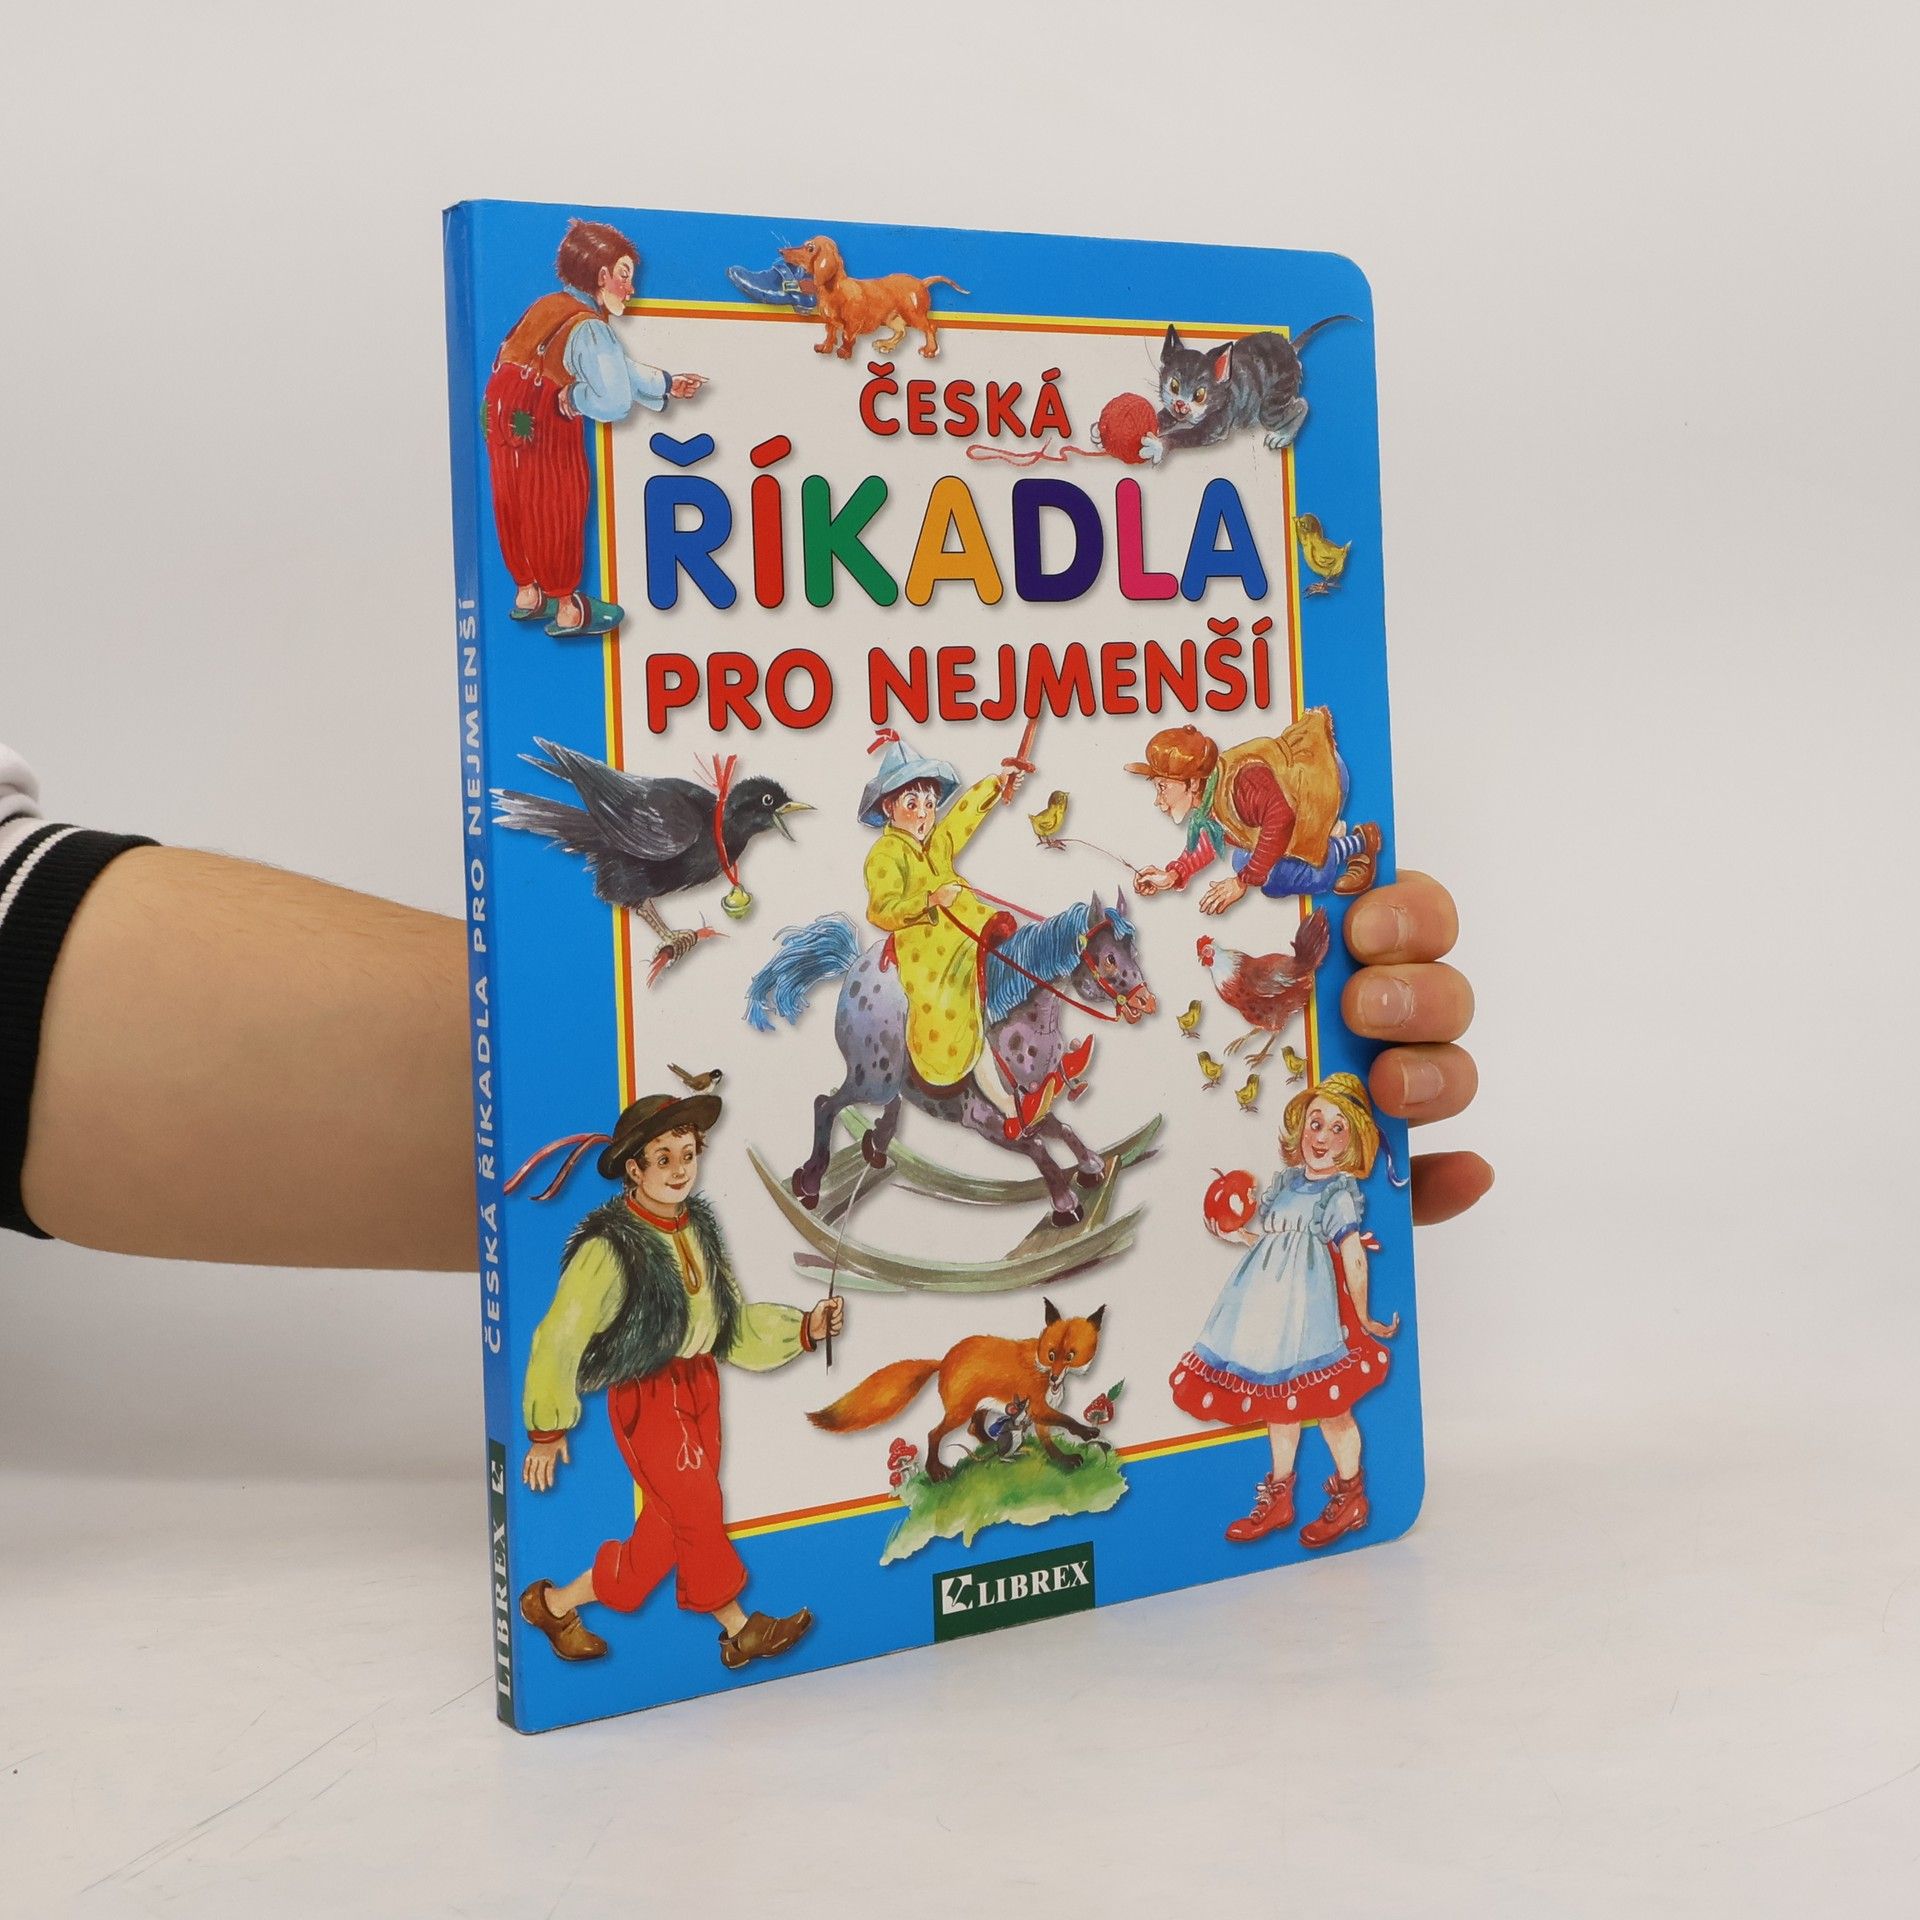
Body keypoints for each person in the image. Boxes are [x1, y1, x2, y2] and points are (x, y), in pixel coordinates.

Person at [0, 744, 1489, 1266]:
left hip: (960, 948)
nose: (926, 809)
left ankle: (1002, 1129)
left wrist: (1285, 1084)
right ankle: (945, 1120)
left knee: (1037, 989)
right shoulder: (898, 859)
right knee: (949, 1037)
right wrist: (961, 896)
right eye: (919, 799)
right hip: (925, 973)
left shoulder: (942, 826)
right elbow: (921, 889)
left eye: (930, 798)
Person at [507, 1091, 841, 1671]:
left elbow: (731, 1325)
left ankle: (553, 1606)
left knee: (664, 1535)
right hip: (648, 1392)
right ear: (634, 1170)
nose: (680, 1169)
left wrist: (804, 1328)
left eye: (687, 1155)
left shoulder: (699, 1229)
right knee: (698, 1504)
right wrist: (547, 1425)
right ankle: (740, 1629)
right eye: (663, 1159)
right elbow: (560, 1333)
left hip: (700, 1384)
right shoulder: (610, 1246)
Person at [1173, 1073, 1401, 1548]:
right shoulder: (1287, 1185)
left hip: (1316, 1322)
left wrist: (1364, 1317)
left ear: (1353, 1142)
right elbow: (1276, 1247)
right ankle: (1279, 1498)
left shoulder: (1338, 1195)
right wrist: (1239, 1235)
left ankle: (1352, 1494)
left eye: (1338, 1128)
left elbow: (1354, 1256)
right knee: (1280, 1405)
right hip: (1273, 1320)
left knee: (1333, 1409)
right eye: (1316, 1123)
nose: (1322, 1137)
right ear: (1300, 1129)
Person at [485, 219, 708, 638]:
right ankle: (568, 607)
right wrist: (575, 397)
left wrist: (664, 384)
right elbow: (614, 398)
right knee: (558, 503)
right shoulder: (590, 326)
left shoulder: (548, 307)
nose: (631, 288)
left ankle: (528, 593)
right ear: (602, 275)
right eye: (625, 275)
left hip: (505, 420)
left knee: (513, 497)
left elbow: (611, 368)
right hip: (547, 423)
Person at [857, 727, 1030, 1120]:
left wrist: (996, 783)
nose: (923, 814)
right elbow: (880, 910)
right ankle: (1002, 1099)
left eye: (930, 804)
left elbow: (963, 817)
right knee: (954, 1005)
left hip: (968, 928)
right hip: (924, 949)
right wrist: (929, 900)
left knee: (1015, 956)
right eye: (912, 804)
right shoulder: (884, 854)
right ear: (889, 808)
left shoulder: (938, 840)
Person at [1129, 713, 1382, 914]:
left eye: (1162, 787)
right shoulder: (1209, 793)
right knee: (1243, 861)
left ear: (1193, 783)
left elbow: (1281, 819)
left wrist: (1241, 883)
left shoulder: (1242, 784)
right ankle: (1330, 841)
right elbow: (1209, 839)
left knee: (1274, 879)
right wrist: (1173, 875)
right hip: (1296, 793)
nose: (1158, 799)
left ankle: (1358, 843)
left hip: (1321, 779)